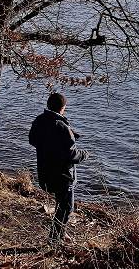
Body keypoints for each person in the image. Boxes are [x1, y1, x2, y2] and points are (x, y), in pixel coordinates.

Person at [29, 92, 89, 245]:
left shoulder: (39, 121)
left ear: (49, 105)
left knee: (60, 205)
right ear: (63, 108)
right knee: (67, 208)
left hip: (45, 172)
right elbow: (71, 154)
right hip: (63, 176)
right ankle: (54, 240)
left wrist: (50, 146)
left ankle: (61, 234)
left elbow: (33, 139)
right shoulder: (62, 126)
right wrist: (84, 154)